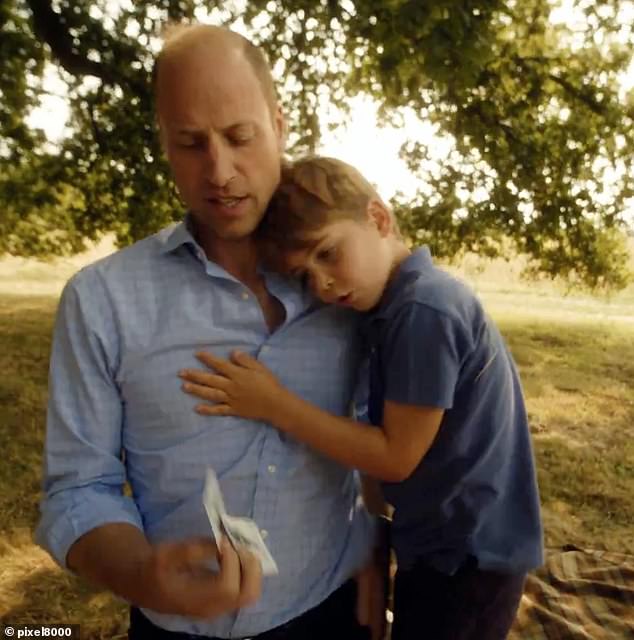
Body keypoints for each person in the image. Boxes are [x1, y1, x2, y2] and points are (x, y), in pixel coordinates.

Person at [36, 26, 379, 640]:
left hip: (333, 607)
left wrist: (378, 553)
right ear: (163, 145)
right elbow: (76, 489)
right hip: (173, 628)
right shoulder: (102, 300)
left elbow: (387, 436)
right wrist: (143, 573)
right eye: (190, 143)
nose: (219, 171)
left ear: (278, 124)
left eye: (239, 136)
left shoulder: (353, 283)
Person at [179, 156, 545, 640]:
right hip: (440, 544)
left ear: (378, 218)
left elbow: (394, 457)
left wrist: (273, 404)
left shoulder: (423, 310)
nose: (323, 284)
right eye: (305, 276)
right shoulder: (395, 305)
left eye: (328, 253)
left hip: (467, 555)